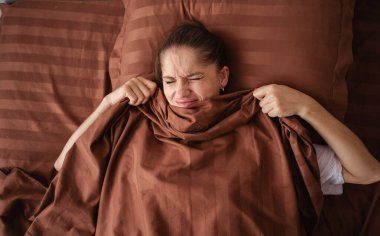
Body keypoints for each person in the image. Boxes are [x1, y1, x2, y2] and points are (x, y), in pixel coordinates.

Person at [53, 21, 380, 196]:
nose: (181, 92)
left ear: (223, 76)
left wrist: (308, 108)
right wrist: (109, 102)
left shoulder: (264, 129)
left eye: (194, 77)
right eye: (169, 81)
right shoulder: (136, 123)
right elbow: (64, 166)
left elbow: (368, 173)